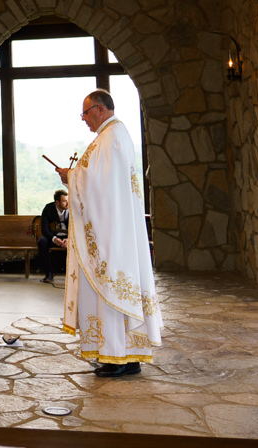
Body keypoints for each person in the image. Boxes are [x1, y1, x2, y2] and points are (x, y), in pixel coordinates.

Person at [56, 89, 161, 378]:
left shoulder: (110, 138)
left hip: (112, 236)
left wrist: (71, 176)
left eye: (85, 113)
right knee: (116, 289)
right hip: (117, 229)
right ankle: (128, 355)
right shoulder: (116, 136)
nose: (84, 119)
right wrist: (77, 175)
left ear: (100, 109)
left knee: (111, 287)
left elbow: (99, 187)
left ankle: (116, 357)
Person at [38, 189, 69, 283]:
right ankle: (49, 274)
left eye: (68, 200)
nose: (67, 203)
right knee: (42, 241)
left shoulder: (72, 209)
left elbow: (77, 228)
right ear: (57, 202)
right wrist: (54, 239)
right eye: (64, 201)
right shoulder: (48, 208)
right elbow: (44, 229)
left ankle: (74, 275)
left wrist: (69, 239)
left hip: (68, 238)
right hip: (53, 237)